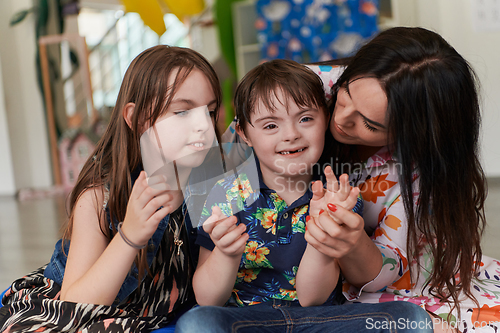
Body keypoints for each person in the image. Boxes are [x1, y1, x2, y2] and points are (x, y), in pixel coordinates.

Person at [175, 59, 434, 333]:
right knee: (197, 324)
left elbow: (313, 299)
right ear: (244, 133)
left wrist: (321, 233)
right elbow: (207, 299)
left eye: (306, 119)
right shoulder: (225, 193)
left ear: (325, 119)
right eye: (270, 126)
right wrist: (226, 253)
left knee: (412, 319)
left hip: (319, 322)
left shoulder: (339, 194)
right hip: (248, 322)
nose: (291, 135)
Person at [0, 45, 223, 332]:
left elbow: (211, 295)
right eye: (182, 112)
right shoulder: (99, 196)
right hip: (81, 308)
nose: (204, 125)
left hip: (151, 316)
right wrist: (130, 236)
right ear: (135, 118)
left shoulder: (212, 185)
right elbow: (74, 304)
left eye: (211, 111)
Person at [304, 26, 499, 332]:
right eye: (344, 97)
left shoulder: (414, 175)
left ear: (411, 135)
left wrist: (352, 244)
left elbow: (383, 271)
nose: (341, 119)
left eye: (369, 124)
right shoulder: (304, 86)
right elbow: (231, 153)